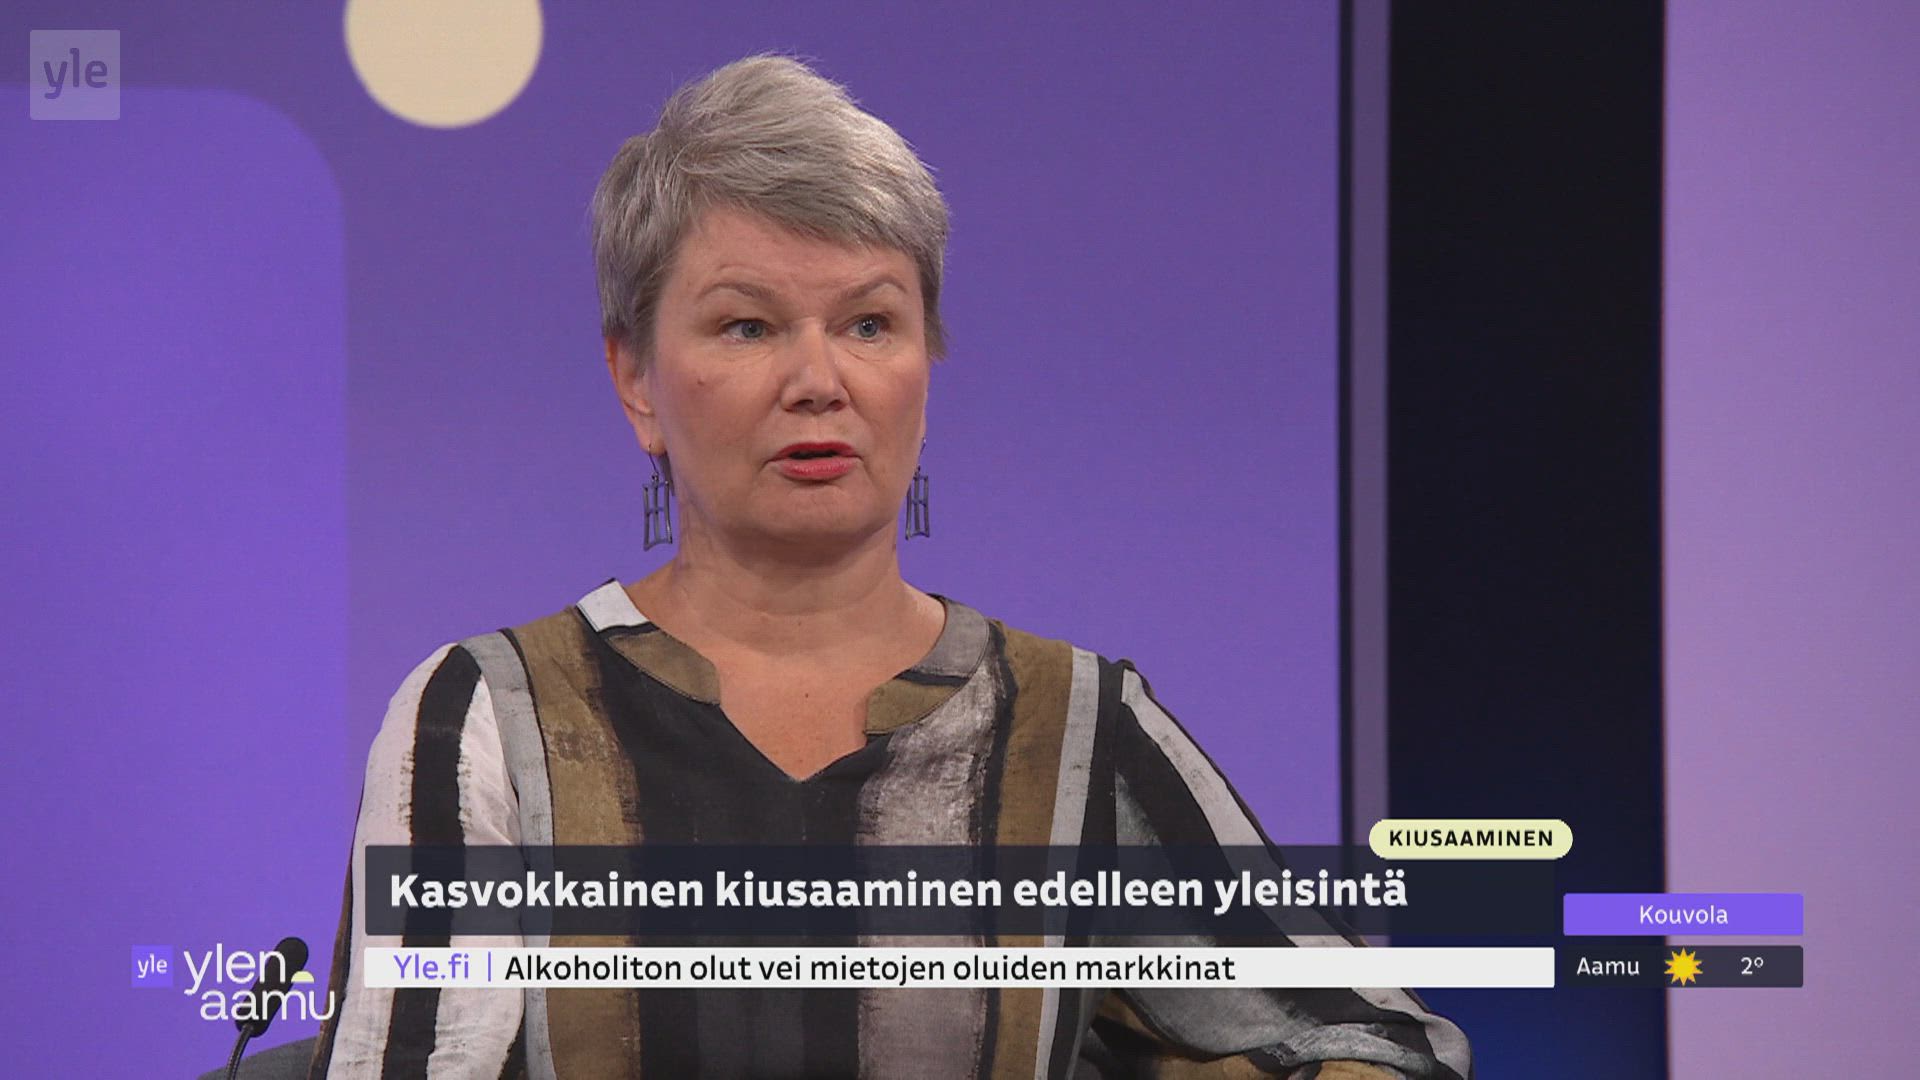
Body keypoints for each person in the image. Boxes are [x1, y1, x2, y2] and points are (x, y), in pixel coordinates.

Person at [308, 53, 1471, 1079]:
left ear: (927, 361)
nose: (821, 381)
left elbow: (1380, 1044)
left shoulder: (1071, 728)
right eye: (748, 326)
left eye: (869, 324)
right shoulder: (489, 718)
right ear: (635, 380)